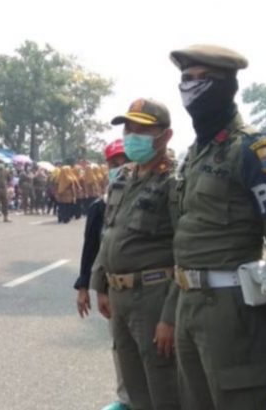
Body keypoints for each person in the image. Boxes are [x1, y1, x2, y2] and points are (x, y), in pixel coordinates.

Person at [169, 44, 266, 409]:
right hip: (189, 304)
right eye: (187, 79)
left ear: (229, 86)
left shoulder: (253, 149)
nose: (192, 86)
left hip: (231, 309)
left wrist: (263, 305)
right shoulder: (195, 155)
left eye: (206, 79)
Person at [90, 99, 180, 410]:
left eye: (142, 129)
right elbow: (110, 232)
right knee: (133, 386)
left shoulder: (174, 181)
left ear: (164, 136)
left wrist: (170, 316)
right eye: (128, 128)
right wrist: (100, 284)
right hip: (120, 297)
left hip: (154, 295)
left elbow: (186, 251)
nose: (132, 135)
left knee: (164, 386)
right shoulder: (124, 177)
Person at [75, 139, 130, 410]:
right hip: (112, 288)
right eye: (113, 163)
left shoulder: (152, 197)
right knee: (121, 345)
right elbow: (91, 249)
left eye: (124, 161)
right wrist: (86, 288)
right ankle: (126, 399)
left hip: (149, 288)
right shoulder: (100, 206)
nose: (119, 168)